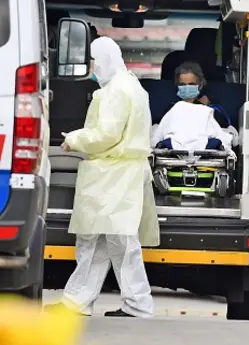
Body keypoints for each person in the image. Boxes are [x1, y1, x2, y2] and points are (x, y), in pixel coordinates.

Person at [44, 37, 160, 318]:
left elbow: (107, 134)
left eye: (93, 62)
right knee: (103, 242)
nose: (92, 69)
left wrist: (75, 139)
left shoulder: (114, 91)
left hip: (113, 175)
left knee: (112, 242)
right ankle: (81, 302)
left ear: (104, 60)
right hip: (121, 174)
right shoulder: (132, 86)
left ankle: (137, 304)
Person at [151, 62, 234, 151]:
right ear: (177, 86)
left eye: (191, 84)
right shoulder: (172, 108)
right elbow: (163, 128)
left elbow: (223, 123)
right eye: (183, 85)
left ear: (200, 85)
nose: (187, 87)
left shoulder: (212, 107)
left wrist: (201, 105)